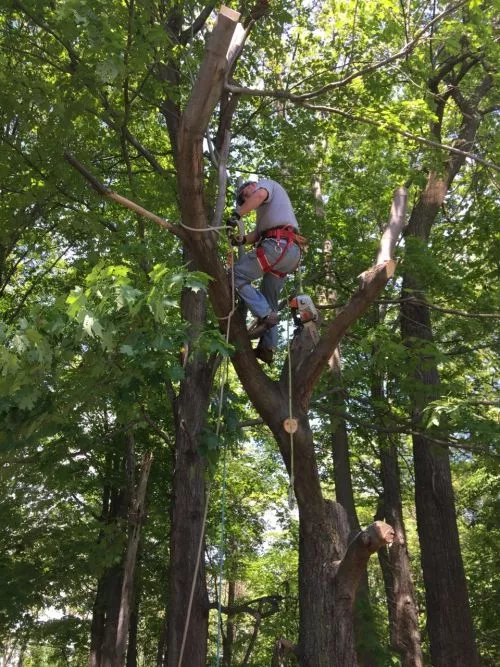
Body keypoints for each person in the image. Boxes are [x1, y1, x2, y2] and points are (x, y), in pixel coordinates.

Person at [228, 179, 302, 365]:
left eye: (246, 194)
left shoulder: (266, 185)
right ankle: (268, 347)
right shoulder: (267, 213)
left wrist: (237, 214)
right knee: (270, 302)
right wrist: (241, 240)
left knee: (234, 275)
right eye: (244, 198)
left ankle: (265, 315)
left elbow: (259, 195)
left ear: (253, 184)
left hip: (277, 247)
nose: (247, 198)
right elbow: (258, 235)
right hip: (289, 254)